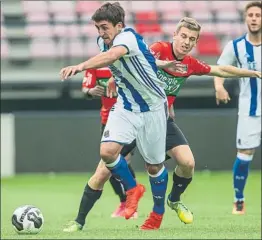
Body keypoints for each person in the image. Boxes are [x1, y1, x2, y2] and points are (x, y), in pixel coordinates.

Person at [63, 15, 261, 232]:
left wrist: (252, 73)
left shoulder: (190, 64)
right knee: (103, 170)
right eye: (183, 36)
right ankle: (79, 221)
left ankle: (173, 200)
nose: (186, 42)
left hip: (160, 119)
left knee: (187, 163)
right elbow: (135, 59)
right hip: (135, 113)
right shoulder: (157, 48)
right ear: (174, 35)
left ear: (196, 43)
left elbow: (220, 69)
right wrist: (115, 77)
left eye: (191, 39)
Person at [60, 2, 174, 231]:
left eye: (104, 27)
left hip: (152, 107)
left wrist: (81, 65)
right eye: (98, 28)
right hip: (126, 105)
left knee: (154, 167)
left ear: (119, 26)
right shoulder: (103, 40)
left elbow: (114, 56)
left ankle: (157, 214)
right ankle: (132, 189)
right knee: (107, 152)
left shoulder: (128, 38)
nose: (101, 33)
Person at [214, 1, 261, 215]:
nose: (254, 18)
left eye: (258, 15)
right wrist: (219, 87)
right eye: (250, 15)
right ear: (245, 18)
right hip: (249, 111)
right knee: (244, 154)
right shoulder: (236, 46)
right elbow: (219, 67)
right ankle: (238, 200)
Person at [82, 67, 138, 219]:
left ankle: (131, 200)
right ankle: (125, 201)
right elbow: (86, 89)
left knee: (120, 161)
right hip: (107, 120)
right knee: (112, 163)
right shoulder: (96, 65)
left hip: (129, 119)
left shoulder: (126, 62)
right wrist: (90, 91)